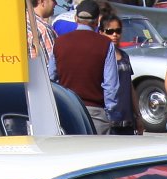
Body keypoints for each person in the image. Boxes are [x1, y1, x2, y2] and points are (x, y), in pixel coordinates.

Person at [55, 0, 131, 133]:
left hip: (67, 110)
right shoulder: (105, 44)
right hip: (96, 112)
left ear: (76, 18)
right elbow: (111, 85)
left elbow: (51, 78)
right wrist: (110, 112)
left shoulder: (59, 42)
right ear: (97, 22)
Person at [98, 14, 142, 133]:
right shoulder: (100, 57)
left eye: (118, 31)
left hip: (127, 120)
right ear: (101, 32)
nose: (115, 35)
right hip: (109, 120)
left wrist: (138, 116)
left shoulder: (124, 56)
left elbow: (130, 86)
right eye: (110, 31)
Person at [28, 0, 58, 76]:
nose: (56, 4)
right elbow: (51, 69)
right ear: (42, 1)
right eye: (53, 0)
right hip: (39, 79)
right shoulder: (43, 29)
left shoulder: (19, 22)